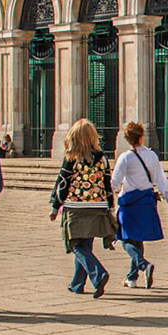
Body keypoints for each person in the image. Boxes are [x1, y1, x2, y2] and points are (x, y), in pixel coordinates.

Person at [48, 119, 117, 297]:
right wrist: (110, 206)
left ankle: (98, 274)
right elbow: (107, 183)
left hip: (76, 206)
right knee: (86, 244)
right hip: (97, 206)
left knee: (75, 244)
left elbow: (62, 184)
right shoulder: (102, 157)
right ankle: (77, 284)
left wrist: (55, 206)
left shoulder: (71, 157)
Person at [111, 121, 168, 289]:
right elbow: (160, 179)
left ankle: (143, 264)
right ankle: (131, 278)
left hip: (129, 202)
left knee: (125, 238)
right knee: (138, 240)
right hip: (146, 201)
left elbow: (114, 182)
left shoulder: (125, 157)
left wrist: (105, 200)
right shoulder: (151, 155)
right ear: (141, 137)